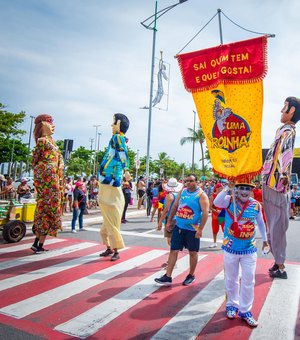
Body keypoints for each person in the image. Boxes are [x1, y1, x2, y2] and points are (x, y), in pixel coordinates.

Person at [214, 181, 269, 327]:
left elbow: (261, 223)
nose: (244, 191)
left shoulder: (256, 205)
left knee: (249, 280)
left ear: (251, 191)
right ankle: (232, 305)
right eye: (241, 188)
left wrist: (265, 240)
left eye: (247, 189)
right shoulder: (229, 200)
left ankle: (245, 310)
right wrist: (228, 188)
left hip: (249, 249)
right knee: (232, 279)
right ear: (237, 190)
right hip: (230, 248)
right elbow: (216, 202)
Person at [262, 96, 300, 279]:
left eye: (284, 106)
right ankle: (278, 263)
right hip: (273, 183)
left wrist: (283, 176)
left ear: (291, 110)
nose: (280, 110)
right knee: (275, 226)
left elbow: (286, 154)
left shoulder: (287, 131)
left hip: (275, 185)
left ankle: (281, 265)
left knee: (276, 227)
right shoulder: (285, 130)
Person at [154, 174, 209, 286]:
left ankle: (191, 275)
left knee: (192, 252)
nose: (188, 183)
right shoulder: (182, 192)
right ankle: (168, 276)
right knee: (173, 250)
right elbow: (174, 207)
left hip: (192, 229)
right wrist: (169, 221)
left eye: (191, 181)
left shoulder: (201, 195)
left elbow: (205, 213)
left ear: (196, 182)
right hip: (179, 227)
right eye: (186, 181)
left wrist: (200, 229)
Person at [98, 113, 130, 261]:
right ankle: (109, 248)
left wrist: (127, 170)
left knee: (111, 218)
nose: (111, 125)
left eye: (113, 122)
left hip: (110, 182)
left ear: (118, 124)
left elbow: (123, 154)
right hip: (107, 181)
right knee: (107, 220)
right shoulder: (115, 138)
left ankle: (116, 250)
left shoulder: (118, 137)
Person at [31, 114, 64, 254]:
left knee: (48, 210)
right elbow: (35, 161)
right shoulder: (42, 141)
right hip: (47, 182)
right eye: (49, 122)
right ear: (42, 125)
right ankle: (37, 244)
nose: (53, 125)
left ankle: (38, 243)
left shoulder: (52, 142)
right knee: (46, 210)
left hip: (54, 181)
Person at [157, 178, 183, 268]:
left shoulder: (170, 196)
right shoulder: (178, 194)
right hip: (177, 218)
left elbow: (166, 209)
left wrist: (160, 221)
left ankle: (172, 262)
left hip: (171, 219)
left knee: (171, 241)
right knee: (171, 240)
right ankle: (171, 261)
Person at [208, 182, 224, 248]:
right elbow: (210, 206)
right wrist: (215, 211)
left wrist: (222, 210)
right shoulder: (213, 196)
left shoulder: (224, 195)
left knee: (224, 229)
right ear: (217, 188)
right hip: (215, 215)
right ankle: (214, 242)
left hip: (222, 214)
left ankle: (225, 243)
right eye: (221, 187)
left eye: (222, 188)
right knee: (215, 229)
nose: (222, 189)